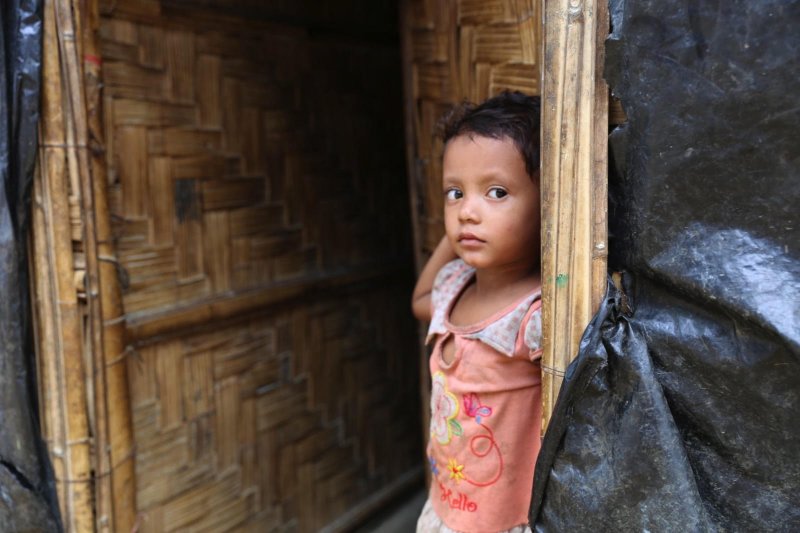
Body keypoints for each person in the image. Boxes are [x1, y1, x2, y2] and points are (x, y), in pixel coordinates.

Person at [412, 91, 543, 533]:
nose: (468, 211)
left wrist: (462, 215)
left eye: (497, 192)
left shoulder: (536, 314)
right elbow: (419, 300)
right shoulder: (453, 289)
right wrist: (459, 231)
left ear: (548, 205)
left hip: (504, 520)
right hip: (446, 507)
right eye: (455, 192)